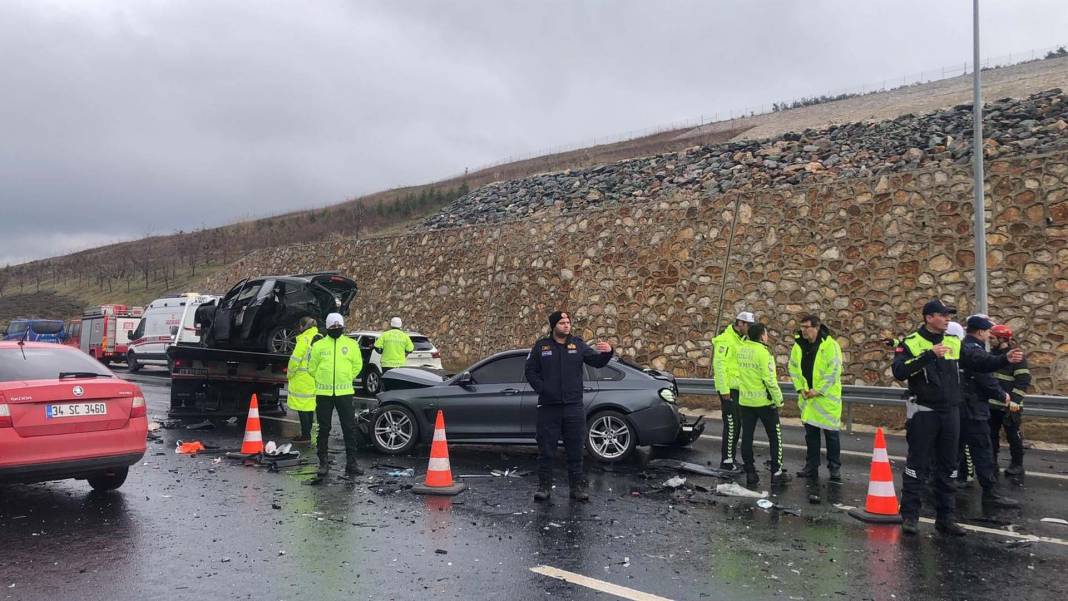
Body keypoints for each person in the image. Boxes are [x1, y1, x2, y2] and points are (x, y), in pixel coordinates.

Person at [892, 300, 1022, 536]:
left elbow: (977, 362)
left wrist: (1004, 359)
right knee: (917, 465)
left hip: (952, 413)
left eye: (949, 315)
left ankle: (946, 519)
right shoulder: (911, 342)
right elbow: (899, 371)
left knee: (949, 467)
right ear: (929, 317)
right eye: (943, 315)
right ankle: (910, 516)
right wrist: (928, 356)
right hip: (924, 413)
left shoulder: (953, 341)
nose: (947, 319)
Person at [524, 311, 613, 502]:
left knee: (575, 449)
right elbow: (530, 371)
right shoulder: (542, 347)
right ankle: (544, 487)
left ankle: (577, 488)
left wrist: (608, 352)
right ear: (554, 325)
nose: (566, 325)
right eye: (562, 322)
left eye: (568, 322)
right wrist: (543, 389)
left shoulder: (578, 345)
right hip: (549, 407)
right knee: (546, 450)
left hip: (573, 407)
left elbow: (597, 362)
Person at [957, 316, 1020, 507]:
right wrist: (1002, 394)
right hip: (974, 408)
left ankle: (943, 488)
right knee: (982, 450)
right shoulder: (973, 349)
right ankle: (990, 494)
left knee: (953, 449)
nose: (989, 336)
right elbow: (984, 372)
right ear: (980, 332)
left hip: (959, 406)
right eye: (987, 332)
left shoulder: (960, 346)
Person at [788, 315, 843, 481]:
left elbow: (833, 371)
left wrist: (817, 390)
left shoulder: (830, 345)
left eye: (806, 327)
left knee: (831, 436)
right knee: (811, 436)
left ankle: (834, 468)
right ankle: (811, 466)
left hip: (826, 401)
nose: (803, 330)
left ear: (816, 327)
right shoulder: (799, 345)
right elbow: (793, 368)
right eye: (802, 327)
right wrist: (800, 388)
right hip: (808, 400)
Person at [309, 312, 364, 477]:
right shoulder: (319, 346)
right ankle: (323, 463)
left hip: (345, 392)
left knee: (349, 428)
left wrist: (347, 377)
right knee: (324, 429)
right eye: (333, 326)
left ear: (343, 326)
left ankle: (351, 463)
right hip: (324, 393)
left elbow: (358, 364)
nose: (336, 328)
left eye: (339, 326)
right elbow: (312, 366)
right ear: (327, 327)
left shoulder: (351, 344)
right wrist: (321, 379)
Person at [736, 322, 790, 488]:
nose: (767, 336)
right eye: (766, 333)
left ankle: (750, 472)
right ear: (761, 336)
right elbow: (769, 380)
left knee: (747, 437)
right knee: (775, 437)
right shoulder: (764, 353)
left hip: (745, 401)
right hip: (765, 403)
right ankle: (776, 472)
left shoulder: (741, 350)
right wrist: (779, 399)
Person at [712, 311, 756, 471]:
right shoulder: (725, 339)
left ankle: (731, 457)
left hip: (739, 390)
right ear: (740, 324)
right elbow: (719, 366)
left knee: (737, 424)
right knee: (731, 424)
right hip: (728, 390)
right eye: (748, 325)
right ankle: (726, 461)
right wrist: (724, 391)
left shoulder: (742, 340)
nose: (750, 329)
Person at [989, 324, 1029, 475]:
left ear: (1002, 339)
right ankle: (992, 464)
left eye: (993, 338)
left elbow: (1023, 380)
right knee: (991, 436)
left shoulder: (1017, 357)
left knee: (1013, 436)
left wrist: (1016, 401)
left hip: (1010, 406)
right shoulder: (991, 355)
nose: (990, 340)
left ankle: (1017, 465)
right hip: (992, 405)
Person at [286, 316, 321, 443]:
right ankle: (308, 433)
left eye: (300, 326)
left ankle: (305, 435)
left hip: (302, 379)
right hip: (315, 377)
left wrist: (289, 373)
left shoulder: (304, 339)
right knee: (310, 407)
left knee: (302, 408)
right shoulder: (320, 337)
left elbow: (295, 359)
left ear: (303, 327)